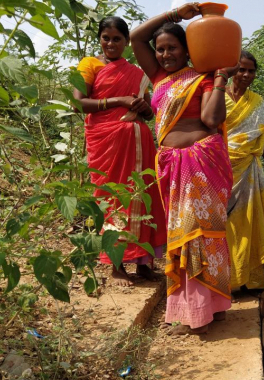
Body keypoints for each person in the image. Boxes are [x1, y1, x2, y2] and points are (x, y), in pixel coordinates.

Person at [130, 2, 238, 334]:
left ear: (187, 50)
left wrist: (219, 80)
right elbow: (136, 37)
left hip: (202, 163)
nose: (164, 54)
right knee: (184, 238)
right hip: (172, 167)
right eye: (160, 49)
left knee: (202, 236)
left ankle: (200, 314)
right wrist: (181, 12)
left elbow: (211, 119)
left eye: (172, 48)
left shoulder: (203, 79)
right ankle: (208, 308)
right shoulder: (159, 77)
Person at [73, 16, 167, 287]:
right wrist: (118, 101)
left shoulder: (137, 73)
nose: (111, 44)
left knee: (144, 196)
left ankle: (144, 262)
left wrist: (144, 108)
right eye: (106, 38)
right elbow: (80, 104)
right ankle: (116, 265)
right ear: (100, 39)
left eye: (117, 39)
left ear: (127, 41)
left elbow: (149, 112)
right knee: (114, 198)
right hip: (107, 143)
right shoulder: (89, 65)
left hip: (138, 143)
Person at [224, 50, 264, 290]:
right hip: (222, 168)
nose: (246, 74)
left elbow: (263, 139)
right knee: (226, 224)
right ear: (231, 70)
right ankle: (226, 281)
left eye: (251, 70)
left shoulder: (257, 102)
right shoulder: (215, 96)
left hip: (249, 169)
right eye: (241, 69)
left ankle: (250, 280)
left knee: (249, 223)